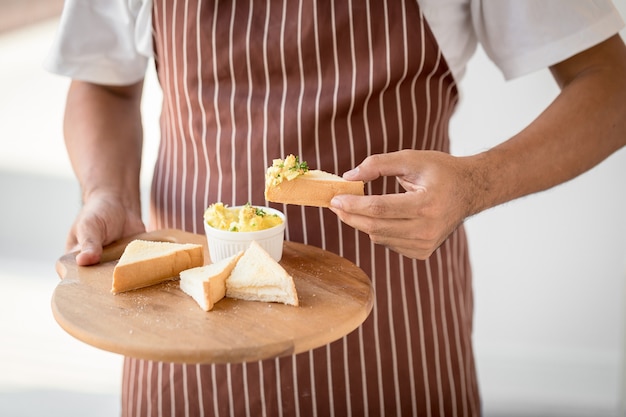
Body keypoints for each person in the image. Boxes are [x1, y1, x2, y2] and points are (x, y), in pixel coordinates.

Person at [46, 1, 626, 416]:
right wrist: (110, 192)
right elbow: (106, 82)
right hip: (186, 334)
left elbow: (609, 84)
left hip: (396, 336)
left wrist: (476, 182)